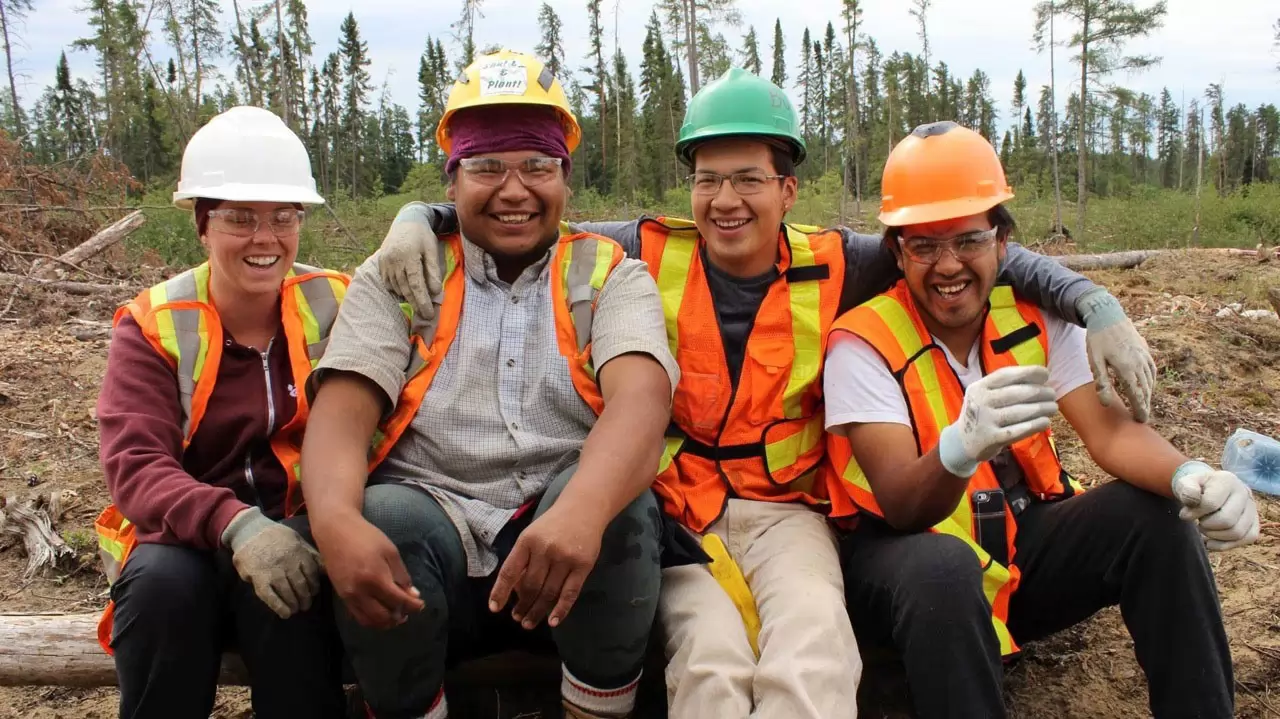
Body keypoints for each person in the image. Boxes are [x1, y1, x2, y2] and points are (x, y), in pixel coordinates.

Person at [376, 69, 1159, 719]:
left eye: (749, 178)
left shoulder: (843, 260)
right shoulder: (639, 248)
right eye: (709, 179)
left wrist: (1093, 304)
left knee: (815, 641)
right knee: (709, 656)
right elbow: (525, 213)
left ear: (787, 189)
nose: (726, 200)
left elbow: (964, 244)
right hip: (679, 513)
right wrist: (423, 214)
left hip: (793, 510)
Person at [824, 121, 1260, 719]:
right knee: (942, 568)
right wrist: (959, 449)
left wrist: (1190, 476)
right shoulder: (862, 342)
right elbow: (900, 503)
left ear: (1002, 243)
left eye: (968, 240)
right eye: (923, 245)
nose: (947, 264)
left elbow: (1108, 433)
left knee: (1159, 514)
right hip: (902, 578)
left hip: (1013, 550)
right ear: (897, 253)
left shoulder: (1033, 316)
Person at [299, 49, 678, 719]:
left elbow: (642, 402)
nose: (514, 189)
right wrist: (333, 522)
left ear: (565, 177)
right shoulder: (401, 272)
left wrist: (584, 512)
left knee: (624, 507)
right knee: (383, 516)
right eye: (487, 167)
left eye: (538, 166)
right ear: (452, 180)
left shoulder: (608, 273)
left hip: (572, 555)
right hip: (433, 549)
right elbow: (342, 413)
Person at [93, 106, 348, 719]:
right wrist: (236, 526)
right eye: (240, 219)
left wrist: (423, 219)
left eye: (283, 218)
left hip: (300, 521)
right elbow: (135, 465)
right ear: (203, 227)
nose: (266, 238)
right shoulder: (156, 323)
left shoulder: (338, 300)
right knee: (160, 591)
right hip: (183, 536)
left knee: (294, 588)